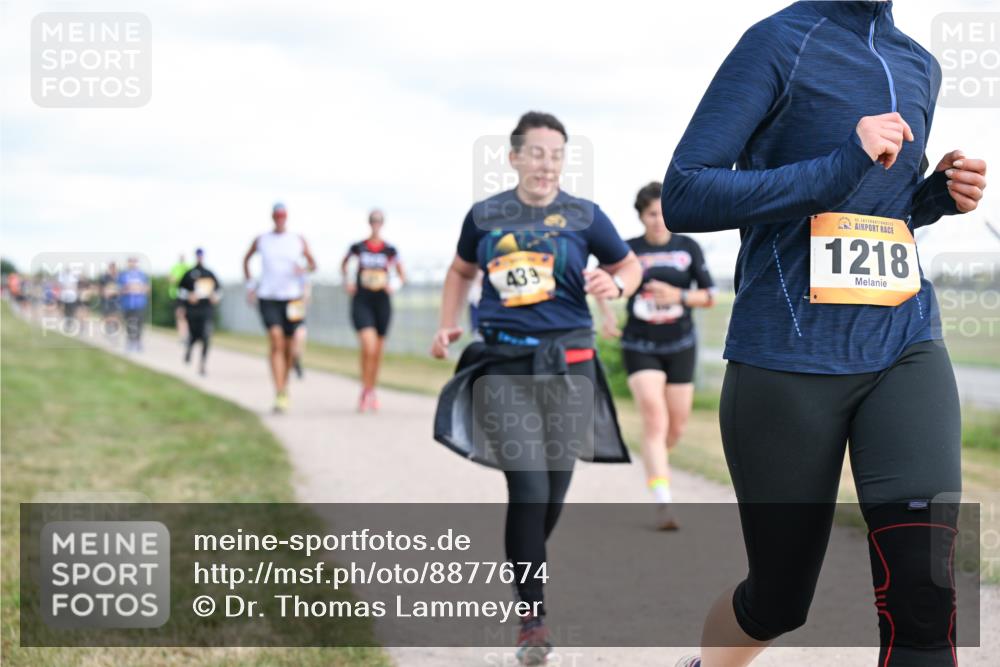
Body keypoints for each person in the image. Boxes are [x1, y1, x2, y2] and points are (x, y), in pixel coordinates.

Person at [660, 2, 988, 666]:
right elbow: (686, 194)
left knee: (924, 599)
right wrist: (842, 160)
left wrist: (935, 196)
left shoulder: (919, 65)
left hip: (904, 341)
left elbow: (879, 208)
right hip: (786, 353)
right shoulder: (778, 42)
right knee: (778, 601)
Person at [431, 111, 642, 665]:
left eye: (556, 154)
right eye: (537, 153)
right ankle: (533, 620)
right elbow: (458, 271)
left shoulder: (583, 216)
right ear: (515, 157)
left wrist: (615, 282)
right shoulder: (484, 216)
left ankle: (527, 560)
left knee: (551, 494)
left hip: (570, 365)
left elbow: (629, 265)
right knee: (527, 489)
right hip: (502, 365)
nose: (547, 164)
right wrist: (447, 321)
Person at [598, 181, 716, 531]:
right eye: (652, 213)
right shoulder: (628, 250)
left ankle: (657, 460)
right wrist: (606, 314)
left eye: (664, 212)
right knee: (654, 416)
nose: (659, 220)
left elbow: (709, 295)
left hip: (680, 344)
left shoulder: (688, 246)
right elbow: (601, 279)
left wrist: (677, 296)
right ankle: (663, 502)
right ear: (641, 216)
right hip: (640, 344)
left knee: (675, 427)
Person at [243, 202, 317, 413]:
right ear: (272, 217)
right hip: (268, 296)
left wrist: (304, 268)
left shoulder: (297, 240)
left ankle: (285, 384)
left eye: (283, 215)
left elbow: (313, 264)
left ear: (287, 217)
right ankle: (279, 392)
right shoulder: (262, 240)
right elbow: (246, 260)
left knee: (292, 346)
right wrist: (250, 285)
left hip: (293, 299)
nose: (280, 218)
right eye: (277, 215)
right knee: (276, 340)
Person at [341, 209, 406, 411]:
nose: (375, 224)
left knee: (377, 351)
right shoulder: (358, 247)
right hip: (362, 299)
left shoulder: (390, 250)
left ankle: (371, 390)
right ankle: (365, 388)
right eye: (373, 221)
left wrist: (393, 285)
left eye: (379, 221)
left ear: (382, 223)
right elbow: (344, 265)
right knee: (367, 346)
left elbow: (402, 274)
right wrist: (348, 282)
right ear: (369, 223)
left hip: (382, 301)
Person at [178, 248, 221, 375]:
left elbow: (218, 291)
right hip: (192, 310)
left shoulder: (209, 274)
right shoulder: (189, 273)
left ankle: (202, 364)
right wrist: (188, 297)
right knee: (194, 335)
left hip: (206, 309)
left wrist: (215, 297)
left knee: (206, 336)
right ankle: (189, 349)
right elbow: (180, 291)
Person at [118, 257, 149, 353]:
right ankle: (130, 341)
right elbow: (119, 289)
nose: (132, 264)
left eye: (134, 262)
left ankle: (138, 341)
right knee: (129, 323)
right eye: (130, 262)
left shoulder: (142, 275)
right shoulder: (123, 275)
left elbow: (147, 288)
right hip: (127, 303)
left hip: (139, 303)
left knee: (139, 323)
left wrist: (140, 289)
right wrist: (127, 289)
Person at [169, 253, 190, 343]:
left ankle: (187, 335)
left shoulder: (188, 267)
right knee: (180, 316)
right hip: (177, 295)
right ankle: (182, 336)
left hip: (186, 295)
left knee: (186, 317)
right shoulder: (175, 267)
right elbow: (171, 279)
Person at [98, 262, 121, 337]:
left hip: (116, 300)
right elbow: (100, 288)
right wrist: (104, 293)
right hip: (106, 300)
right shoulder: (104, 277)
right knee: (107, 316)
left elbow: (121, 289)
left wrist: (116, 292)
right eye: (111, 268)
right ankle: (108, 328)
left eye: (114, 268)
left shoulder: (119, 277)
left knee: (115, 315)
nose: (113, 270)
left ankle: (114, 330)